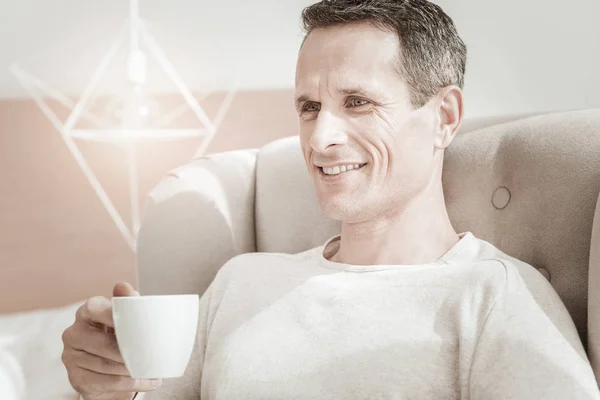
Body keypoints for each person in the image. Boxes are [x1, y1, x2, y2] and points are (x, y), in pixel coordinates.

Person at [61, 0, 600, 399]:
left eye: (358, 102)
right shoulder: (238, 284)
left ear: (444, 118)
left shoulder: (494, 298)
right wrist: (105, 386)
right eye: (309, 107)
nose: (319, 140)